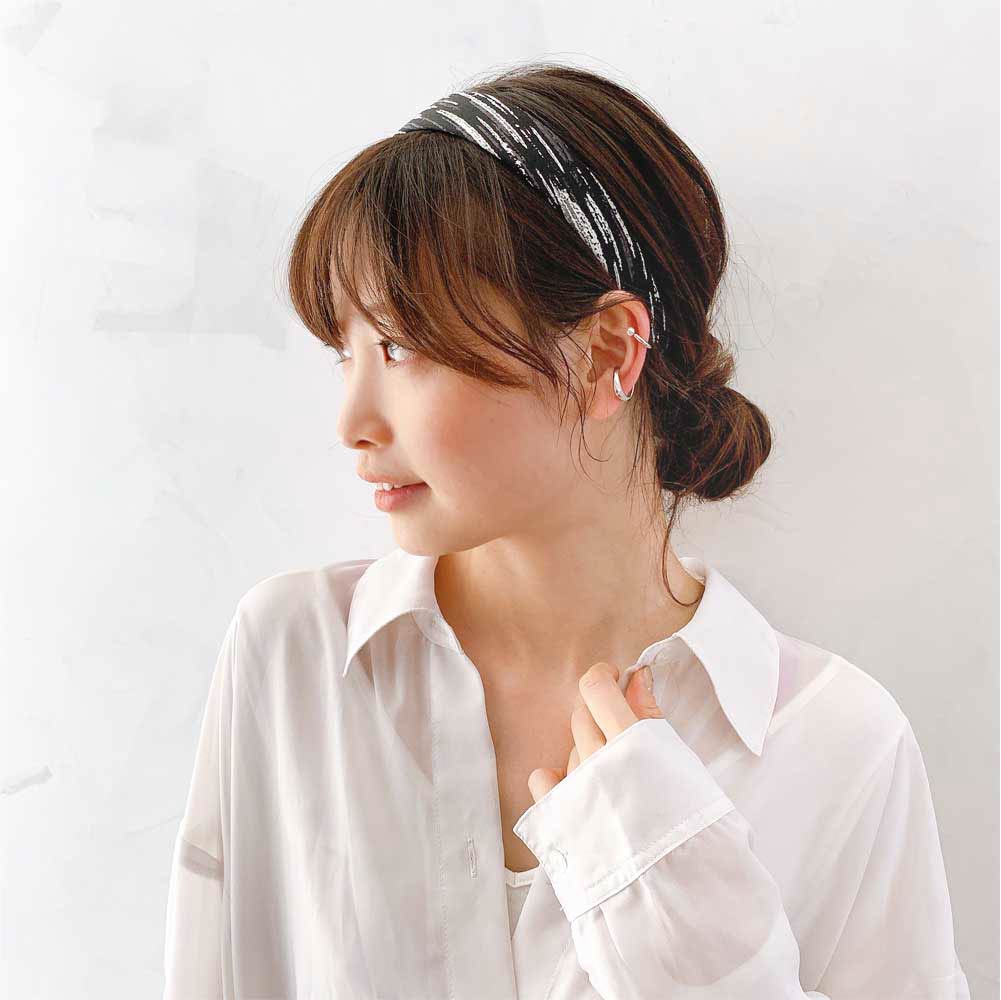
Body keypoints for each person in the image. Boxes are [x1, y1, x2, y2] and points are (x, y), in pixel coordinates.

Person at [163, 62, 971, 998]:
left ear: (606, 355)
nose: (352, 421)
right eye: (344, 353)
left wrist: (700, 945)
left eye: (399, 346)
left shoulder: (833, 743)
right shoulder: (295, 654)